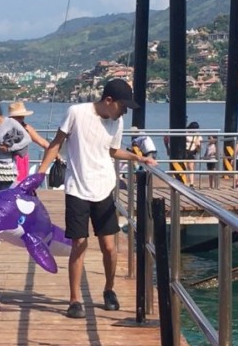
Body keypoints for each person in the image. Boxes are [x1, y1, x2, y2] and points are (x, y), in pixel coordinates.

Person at [38, 79, 156, 318]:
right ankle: (74, 299)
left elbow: (112, 151)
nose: (124, 112)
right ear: (109, 100)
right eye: (123, 106)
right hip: (77, 188)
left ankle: (109, 289)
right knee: (79, 243)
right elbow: (56, 144)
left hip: (104, 187)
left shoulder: (117, 121)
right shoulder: (76, 113)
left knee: (109, 246)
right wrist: (40, 173)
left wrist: (139, 158)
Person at [8, 101, 49, 181]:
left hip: (20, 160)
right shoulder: (4, 128)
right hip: (7, 161)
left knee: (20, 184)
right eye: (18, 117)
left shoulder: (27, 128)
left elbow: (43, 142)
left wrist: (55, 153)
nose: (21, 119)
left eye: (22, 116)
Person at [184, 121, 202, 187]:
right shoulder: (186, 132)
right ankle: (185, 181)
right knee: (185, 167)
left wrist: (198, 146)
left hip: (192, 151)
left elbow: (199, 143)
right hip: (185, 150)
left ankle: (191, 182)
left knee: (191, 168)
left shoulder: (197, 135)